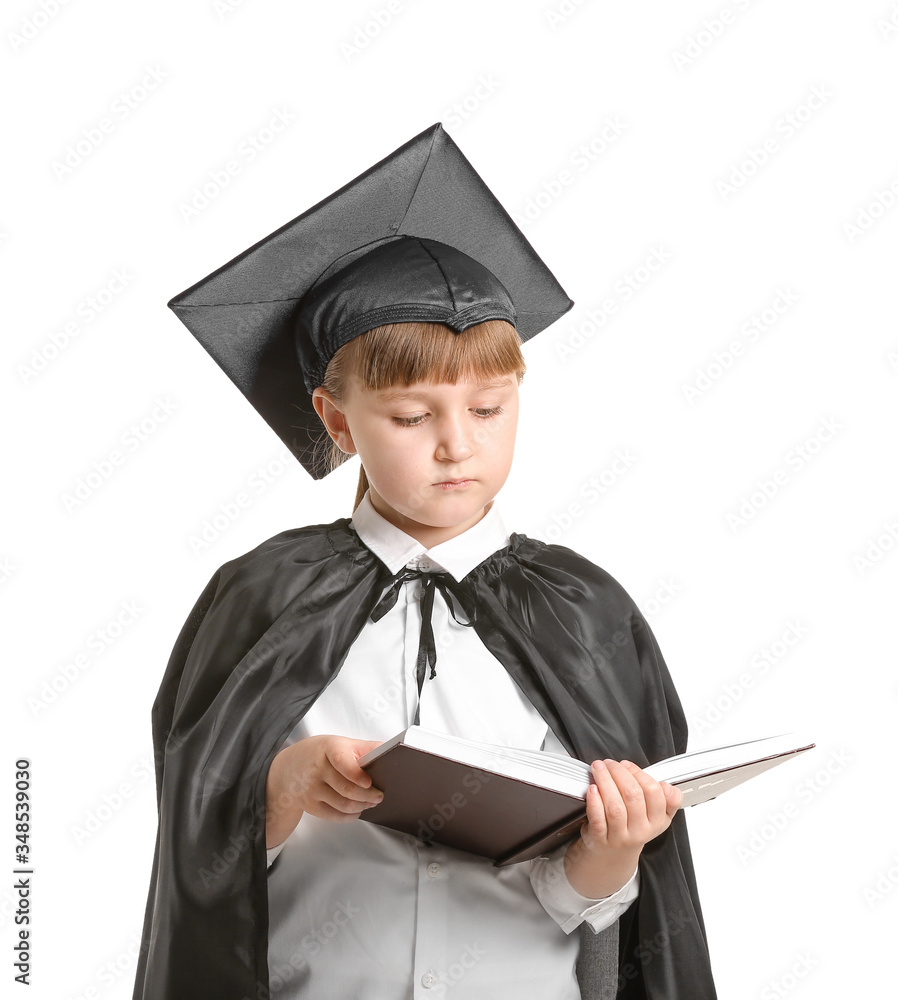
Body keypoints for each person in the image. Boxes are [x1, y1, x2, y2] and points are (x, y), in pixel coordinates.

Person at [133, 123, 717, 1000]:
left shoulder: (585, 611)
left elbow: (584, 906)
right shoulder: (258, 597)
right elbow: (196, 853)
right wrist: (283, 786)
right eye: (411, 418)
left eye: (488, 408)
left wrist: (611, 851)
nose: (456, 446)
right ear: (337, 422)